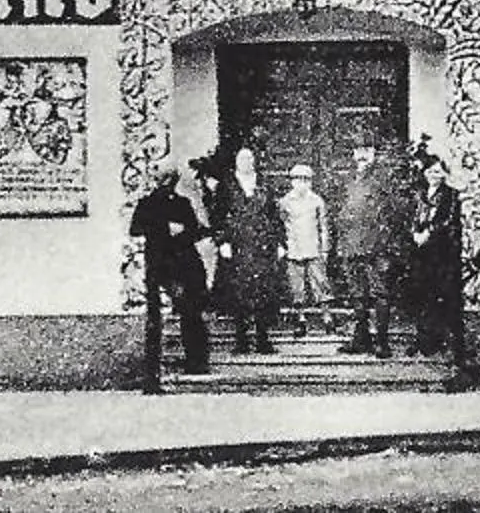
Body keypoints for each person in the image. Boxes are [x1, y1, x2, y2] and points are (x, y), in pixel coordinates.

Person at [127, 165, 210, 378]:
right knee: (173, 312)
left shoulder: (183, 203)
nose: (167, 183)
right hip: (162, 267)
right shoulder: (147, 204)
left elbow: (194, 230)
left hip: (186, 265)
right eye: (164, 179)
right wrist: (166, 227)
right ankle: (156, 370)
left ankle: (197, 360)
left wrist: (181, 231)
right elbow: (136, 229)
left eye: (170, 179)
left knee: (192, 312)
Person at [335, 142, 410, 355]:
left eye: (367, 150)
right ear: (353, 153)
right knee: (357, 295)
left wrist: (384, 242)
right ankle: (362, 339)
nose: (362, 155)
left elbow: (396, 212)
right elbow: (340, 210)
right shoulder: (348, 180)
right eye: (358, 150)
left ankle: (382, 342)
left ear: (374, 153)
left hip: (377, 247)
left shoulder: (385, 178)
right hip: (351, 245)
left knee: (380, 293)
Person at [215, 147, 286, 354]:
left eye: (249, 158)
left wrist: (280, 242)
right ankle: (241, 340)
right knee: (239, 293)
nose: (246, 162)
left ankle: (263, 339)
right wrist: (222, 241)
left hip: (262, 246)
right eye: (241, 158)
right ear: (236, 161)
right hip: (238, 246)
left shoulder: (264, 184)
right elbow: (218, 215)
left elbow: (274, 216)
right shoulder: (226, 186)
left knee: (263, 292)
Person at [408, 151, 465, 357]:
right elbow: (410, 217)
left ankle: (442, 343)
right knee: (421, 296)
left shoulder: (451, 195)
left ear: (444, 174)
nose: (434, 175)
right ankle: (422, 340)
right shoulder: (418, 195)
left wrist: (428, 233)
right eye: (430, 171)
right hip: (420, 254)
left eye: (438, 172)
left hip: (441, 254)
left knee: (442, 296)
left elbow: (448, 221)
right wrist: (414, 233)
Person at [277, 164, 331, 309]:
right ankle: (300, 319)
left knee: (320, 283)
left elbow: (323, 226)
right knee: (296, 286)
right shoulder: (285, 201)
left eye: (305, 180)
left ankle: (326, 316)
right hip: (294, 248)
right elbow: (281, 225)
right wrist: (283, 246)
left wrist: (324, 249)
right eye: (297, 180)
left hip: (313, 248)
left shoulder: (317, 201)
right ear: (292, 182)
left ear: (310, 182)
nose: (301, 184)